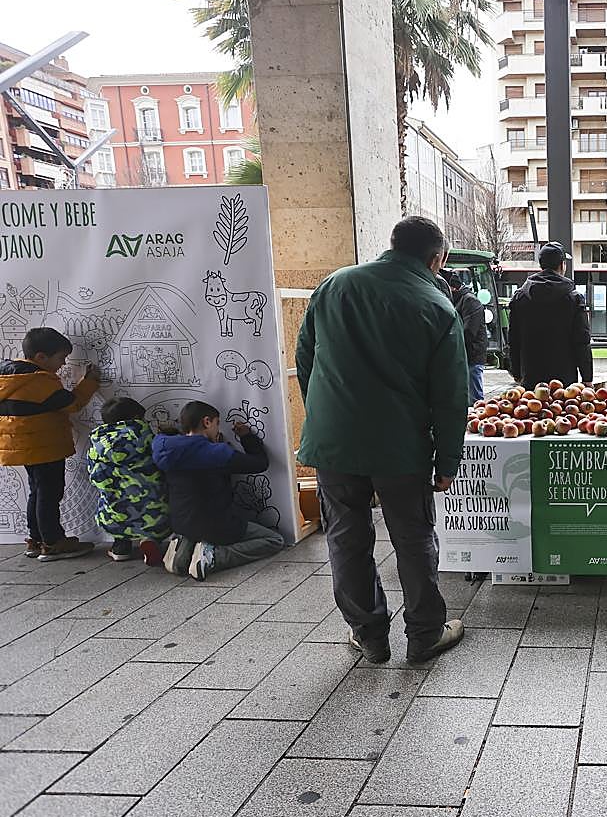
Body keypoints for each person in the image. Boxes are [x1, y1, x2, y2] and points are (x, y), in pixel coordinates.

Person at [296, 216, 468, 666]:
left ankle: (369, 635)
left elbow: (305, 358)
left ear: (391, 246)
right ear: (437, 259)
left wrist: (326, 417)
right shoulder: (436, 304)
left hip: (334, 441)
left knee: (346, 537)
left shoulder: (334, 285)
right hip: (400, 445)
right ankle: (425, 634)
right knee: (413, 538)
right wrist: (447, 459)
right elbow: (450, 395)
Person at [152, 401, 284, 581]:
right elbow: (260, 463)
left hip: (181, 522)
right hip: (217, 525)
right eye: (217, 423)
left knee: (194, 530)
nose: (217, 428)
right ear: (207, 422)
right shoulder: (217, 454)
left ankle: (181, 555)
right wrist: (246, 437)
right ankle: (214, 557)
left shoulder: (164, 446)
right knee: (274, 541)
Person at [0, 328, 99, 561]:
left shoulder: (9, 378)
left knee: (37, 491)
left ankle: (36, 540)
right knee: (49, 493)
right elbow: (71, 403)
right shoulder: (37, 380)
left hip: (25, 446)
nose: (63, 364)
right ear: (41, 357)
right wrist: (89, 382)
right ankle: (53, 542)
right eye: (60, 358)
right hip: (44, 445)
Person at [86, 396, 169, 564]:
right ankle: (149, 541)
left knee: (113, 511)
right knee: (153, 513)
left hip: (116, 509)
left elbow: (94, 476)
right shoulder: (146, 437)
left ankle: (120, 548)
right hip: (153, 507)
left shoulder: (98, 444)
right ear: (137, 418)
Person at [506, 241, 593, 388]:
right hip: (565, 380)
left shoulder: (520, 297)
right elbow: (582, 340)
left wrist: (517, 373)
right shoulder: (574, 298)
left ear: (541, 265)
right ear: (562, 265)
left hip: (531, 377)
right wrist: (587, 377)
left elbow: (514, 339)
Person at [449, 272, 487, 404]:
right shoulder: (459, 299)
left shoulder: (469, 300)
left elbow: (469, 331)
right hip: (466, 354)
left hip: (472, 354)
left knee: (476, 399)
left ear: (453, 288)